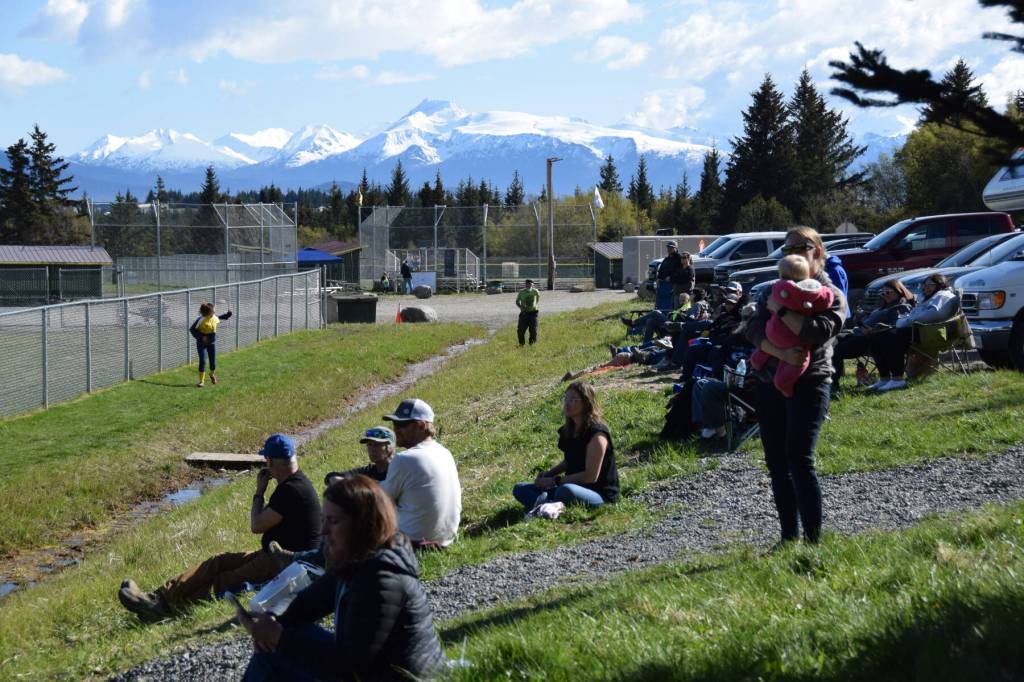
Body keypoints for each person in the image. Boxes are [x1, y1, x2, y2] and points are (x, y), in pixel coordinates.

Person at [239, 475, 446, 682]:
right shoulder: (356, 562)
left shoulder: (383, 578)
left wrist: (279, 639)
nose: (325, 532)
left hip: (395, 678)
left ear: (363, 524)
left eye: (334, 521)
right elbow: (306, 603)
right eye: (324, 521)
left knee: (271, 657)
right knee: (282, 639)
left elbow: (350, 665)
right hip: (371, 671)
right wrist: (274, 621)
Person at [118, 434, 321, 621]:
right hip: (274, 556)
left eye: (266, 460)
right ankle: (158, 597)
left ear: (271, 462)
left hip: (283, 564)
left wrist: (259, 492)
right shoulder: (296, 484)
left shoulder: (291, 491)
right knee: (218, 561)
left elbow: (256, 525)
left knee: (224, 580)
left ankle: (165, 608)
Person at [746, 226, 846, 544]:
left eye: (798, 249)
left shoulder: (830, 293)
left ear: (816, 251)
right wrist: (778, 352)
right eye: (787, 251)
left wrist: (785, 309)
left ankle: (813, 542)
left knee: (799, 459)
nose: (792, 256)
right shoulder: (771, 291)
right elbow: (752, 329)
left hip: (812, 381)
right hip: (769, 381)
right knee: (777, 462)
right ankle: (788, 538)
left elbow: (819, 331)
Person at [270, 426, 398, 570]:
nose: (371, 449)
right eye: (369, 445)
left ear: (390, 446)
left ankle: (296, 559)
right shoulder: (370, 471)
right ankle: (304, 559)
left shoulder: (396, 471)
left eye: (377, 445)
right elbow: (331, 476)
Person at [512, 381, 620, 510]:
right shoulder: (569, 431)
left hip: (598, 493)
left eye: (573, 399)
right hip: (570, 485)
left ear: (586, 403)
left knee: (565, 490)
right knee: (519, 488)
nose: (567, 404)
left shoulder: (597, 434)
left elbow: (591, 476)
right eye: (566, 399)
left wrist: (555, 481)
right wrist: (549, 474)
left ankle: (545, 503)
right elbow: (570, 461)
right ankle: (548, 504)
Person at [750, 255, 836, 398]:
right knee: (795, 362)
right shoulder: (810, 291)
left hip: (784, 339)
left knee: (793, 362)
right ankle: (782, 383)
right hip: (786, 345)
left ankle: (766, 368)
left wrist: (780, 310)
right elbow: (752, 328)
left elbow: (821, 331)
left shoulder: (778, 288)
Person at [380, 398, 461, 548]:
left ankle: (326, 563)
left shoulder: (404, 459)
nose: (396, 429)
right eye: (395, 424)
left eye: (402, 424)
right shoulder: (444, 452)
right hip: (446, 539)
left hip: (411, 543)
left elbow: (380, 499)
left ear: (422, 426)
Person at [867, 273, 958, 392]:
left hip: (930, 333)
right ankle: (884, 378)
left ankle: (897, 379)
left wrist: (906, 321)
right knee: (877, 337)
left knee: (890, 338)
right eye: (925, 285)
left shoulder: (943, 295)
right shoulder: (930, 297)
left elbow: (932, 315)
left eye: (930, 284)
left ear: (940, 284)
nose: (926, 287)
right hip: (919, 329)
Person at [831, 278, 915, 395]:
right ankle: (883, 379)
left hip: (871, 337)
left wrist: (874, 329)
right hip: (860, 332)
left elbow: (899, 324)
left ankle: (833, 384)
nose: (884, 296)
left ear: (899, 291)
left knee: (837, 350)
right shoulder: (882, 307)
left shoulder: (901, 306)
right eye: (882, 293)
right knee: (831, 341)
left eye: (887, 292)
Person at [189, 302, 233, 387]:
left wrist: (228, 315)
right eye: (213, 310)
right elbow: (192, 330)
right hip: (201, 344)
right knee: (202, 361)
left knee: (213, 363)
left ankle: (212, 374)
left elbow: (220, 318)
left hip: (211, 343)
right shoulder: (200, 319)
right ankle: (201, 382)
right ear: (208, 312)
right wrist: (201, 337)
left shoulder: (214, 317)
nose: (214, 311)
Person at [516, 278, 540, 346]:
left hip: (533, 313)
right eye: (527, 284)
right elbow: (517, 302)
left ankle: (532, 344)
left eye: (530, 284)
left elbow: (538, 299)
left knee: (533, 330)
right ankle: (521, 344)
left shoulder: (536, 291)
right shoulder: (521, 292)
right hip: (524, 313)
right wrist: (521, 307)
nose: (528, 285)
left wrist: (534, 306)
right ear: (525, 284)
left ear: (533, 285)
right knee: (520, 331)